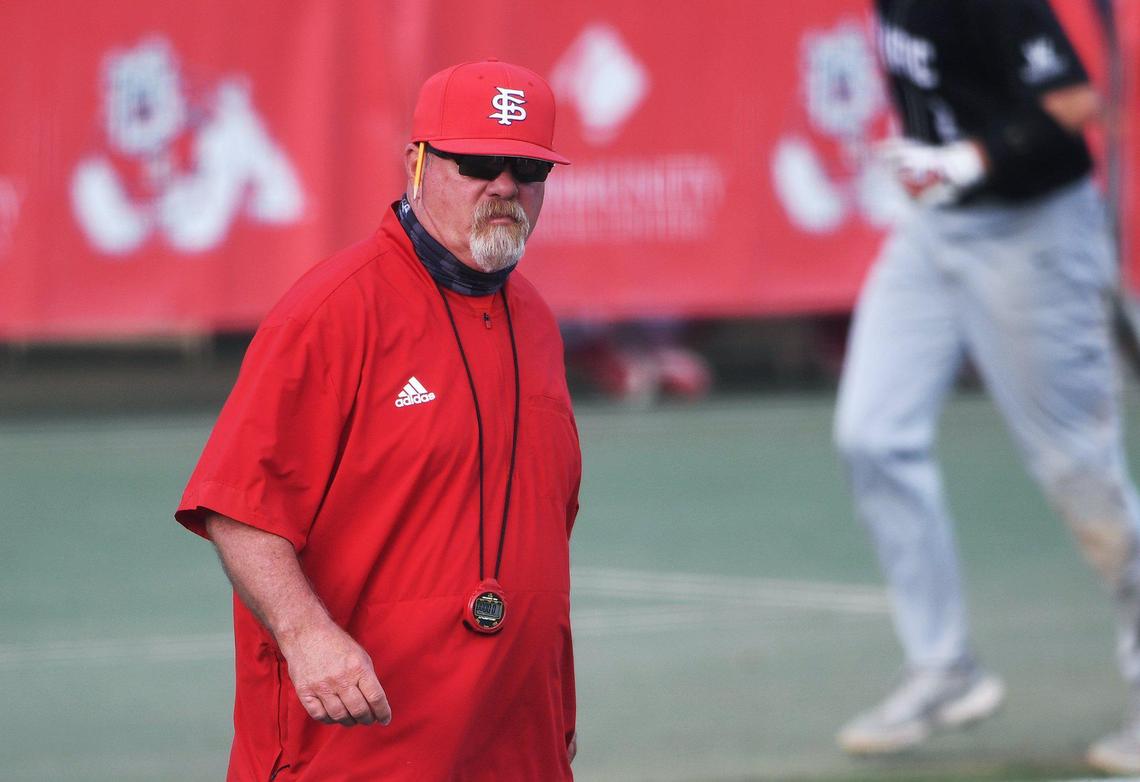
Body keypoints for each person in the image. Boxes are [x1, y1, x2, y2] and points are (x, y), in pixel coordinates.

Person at [175, 59, 582, 781]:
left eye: (528, 169)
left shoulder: (536, 321)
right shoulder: (335, 308)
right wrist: (307, 638)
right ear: (416, 163)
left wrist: (556, 700)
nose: (505, 187)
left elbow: (546, 530)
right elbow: (239, 507)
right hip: (361, 745)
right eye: (478, 162)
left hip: (512, 744)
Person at [833, 1, 1140, 774]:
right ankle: (944, 669)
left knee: (1082, 472)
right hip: (937, 230)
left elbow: (1075, 102)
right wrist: (929, 158)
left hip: (1034, 233)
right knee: (871, 436)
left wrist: (967, 157)